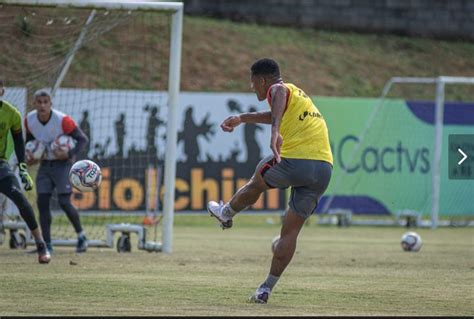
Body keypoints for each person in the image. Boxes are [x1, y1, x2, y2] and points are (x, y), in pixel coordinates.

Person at [207, 58, 333, 303]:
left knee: (258, 179)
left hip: (296, 160)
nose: (252, 87)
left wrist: (275, 132)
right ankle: (266, 289)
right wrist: (242, 118)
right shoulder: (296, 96)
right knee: (290, 233)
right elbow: (275, 111)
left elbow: (276, 97)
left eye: (253, 83)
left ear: (262, 80)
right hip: (324, 168)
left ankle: (226, 212)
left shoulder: (278, 88)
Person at [25, 89, 89, 253]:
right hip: (45, 165)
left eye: (46, 102)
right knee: (42, 202)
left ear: (51, 104)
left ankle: (81, 236)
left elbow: (82, 139)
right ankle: (46, 244)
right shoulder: (30, 120)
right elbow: (30, 142)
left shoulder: (62, 120)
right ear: (34, 104)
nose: (42, 105)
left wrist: (68, 154)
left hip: (63, 165)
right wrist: (32, 157)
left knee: (64, 202)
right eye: (39, 102)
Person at [0, 78, 51, 264]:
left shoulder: (11, 114)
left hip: (1, 166)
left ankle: (40, 244)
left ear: (2, 91)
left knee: (20, 198)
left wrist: (23, 169)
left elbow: (19, 144)